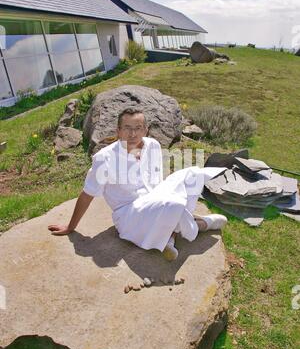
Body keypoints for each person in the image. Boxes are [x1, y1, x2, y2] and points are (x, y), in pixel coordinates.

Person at [48, 108, 228, 261]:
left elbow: (157, 180)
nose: (133, 134)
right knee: (173, 203)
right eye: (127, 128)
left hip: (156, 198)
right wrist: (71, 227)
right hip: (129, 214)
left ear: (146, 130)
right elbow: (87, 194)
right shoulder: (105, 158)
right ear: (118, 131)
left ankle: (169, 233)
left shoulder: (153, 146)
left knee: (193, 174)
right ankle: (199, 224)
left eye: (138, 128)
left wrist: (170, 191)